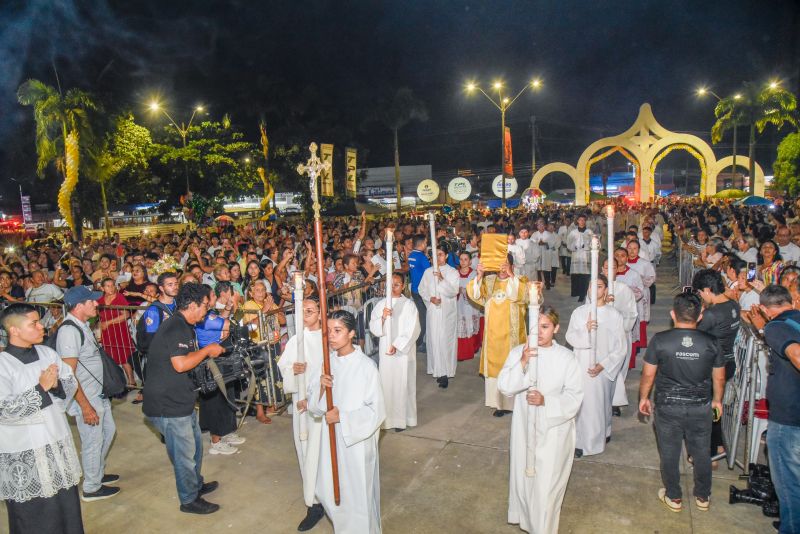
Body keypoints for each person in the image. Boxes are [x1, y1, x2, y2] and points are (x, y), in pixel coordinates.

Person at [497, 306, 583, 534]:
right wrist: (523, 362)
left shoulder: (566, 357)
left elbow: (575, 397)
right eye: (534, 328)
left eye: (545, 327)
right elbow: (505, 387)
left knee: (547, 483)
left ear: (556, 328)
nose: (539, 333)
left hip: (554, 430)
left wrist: (546, 401)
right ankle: (525, 517)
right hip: (525, 426)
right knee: (524, 475)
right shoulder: (519, 352)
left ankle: (543, 528)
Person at [0, 303, 84, 534]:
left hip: (55, 444)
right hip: (26, 454)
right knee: (35, 519)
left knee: (66, 512)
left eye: (40, 321)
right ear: (14, 330)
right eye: (34, 323)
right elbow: (3, 410)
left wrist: (56, 386)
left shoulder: (47, 353)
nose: (41, 327)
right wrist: (40, 388)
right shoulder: (3, 365)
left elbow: (69, 382)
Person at [638, 291, 725, 513]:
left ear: (672, 314)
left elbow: (648, 374)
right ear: (700, 316)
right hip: (700, 406)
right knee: (701, 451)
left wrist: (644, 398)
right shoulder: (712, 342)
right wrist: (717, 400)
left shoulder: (660, 340)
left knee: (669, 452)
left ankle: (674, 497)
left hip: (668, 406)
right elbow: (719, 376)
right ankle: (703, 496)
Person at [142, 283, 225, 514]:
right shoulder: (176, 327)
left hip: (181, 399)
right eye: (205, 307)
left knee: (196, 449)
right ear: (192, 305)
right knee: (184, 456)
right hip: (167, 405)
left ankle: (195, 485)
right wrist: (208, 351)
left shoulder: (185, 325)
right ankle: (189, 500)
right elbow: (180, 364)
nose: (207, 312)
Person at [307, 310, 386, 534]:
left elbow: (376, 411)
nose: (331, 336)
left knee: (358, 495)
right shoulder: (326, 363)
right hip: (330, 440)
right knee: (332, 492)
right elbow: (314, 406)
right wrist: (321, 387)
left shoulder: (366, 367)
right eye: (329, 331)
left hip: (356, 444)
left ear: (351, 333)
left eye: (338, 331)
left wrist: (343, 417)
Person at [56, 286, 119, 502]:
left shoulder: (83, 325)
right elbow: (68, 374)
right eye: (91, 301)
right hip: (87, 399)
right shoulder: (69, 331)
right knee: (93, 440)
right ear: (79, 305)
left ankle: (96, 474)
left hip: (97, 394)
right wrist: (85, 406)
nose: (97, 303)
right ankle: (92, 488)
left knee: (108, 432)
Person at [749, 285, 800, 533]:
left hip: (789, 418)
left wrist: (765, 327)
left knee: (789, 484)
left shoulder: (776, 327)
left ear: (765, 309)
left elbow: (796, 355)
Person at [277, 296, 326, 531]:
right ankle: (313, 503)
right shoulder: (297, 339)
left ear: (320, 312)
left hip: (324, 403)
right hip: (302, 403)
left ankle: (330, 496)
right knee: (306, 450)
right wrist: (293, 370)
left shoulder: (329, 337)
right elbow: (283, 367)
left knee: (326, 452)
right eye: (302, 310)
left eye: (310, 309)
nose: (306, 313)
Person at [565, 274, 626, 457]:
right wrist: (586, 330)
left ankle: (601, 436)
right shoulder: (579, 313)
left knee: (601, 404)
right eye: (591, 286)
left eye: (599, 286)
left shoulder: (614, 315)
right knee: (583, 406)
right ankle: (581, 443)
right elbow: (570, 337)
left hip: (603, 368)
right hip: (582, 365)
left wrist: (603, 365)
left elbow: (620, 347)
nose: (595, 290)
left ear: (605, 290)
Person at [468, 255, 528, 416]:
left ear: (512, 266)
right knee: (495, 368)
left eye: (506, 265)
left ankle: (510, 404)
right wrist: (479, 276)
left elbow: (522, 295)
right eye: (499, 265)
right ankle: (497, 402)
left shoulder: (520, 280)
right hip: (493, 334)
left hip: (513, 335)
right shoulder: (489, 281)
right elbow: (475, 295)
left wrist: (511, 275)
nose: (502, 269)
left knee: (512, 367)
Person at [691, 268, 740, 461]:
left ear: (708, 289)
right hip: (729, 361)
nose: (701, 297)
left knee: (707, 409)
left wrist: (699, 316)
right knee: (716, 405)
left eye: (701, 293)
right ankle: (719, 445)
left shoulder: (712, 314)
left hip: (713, 366)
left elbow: (695, 336)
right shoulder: (734, 305)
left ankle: (708, 453)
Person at [195, 281, 245, 456]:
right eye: (213, 296)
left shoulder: (210, 314)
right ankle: (216, 441)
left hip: (222, 360)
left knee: (227, 396)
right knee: (216, 401)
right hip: (212, 364)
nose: (216, 298)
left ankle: (226, 432)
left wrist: (229, 307)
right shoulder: (205, 318)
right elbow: (233, 326)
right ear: (205, 300)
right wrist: (236, 305)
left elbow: (222, 319)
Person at [369, 272, 420, 430]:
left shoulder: (409, 305)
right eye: (390, 285)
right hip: (386, 351)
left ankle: (404, 419)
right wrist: (383, 318)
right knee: (387, 384)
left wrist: (397, 345)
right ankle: (388, 419)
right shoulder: (381, 304)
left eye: (397, 285)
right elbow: (373, 327)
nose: (393, 288)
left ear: (403, 286)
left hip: (402, 353)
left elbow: (413, 329)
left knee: (404, 385)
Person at [418, 246, 459, 388]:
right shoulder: (428, 272)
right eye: (435, 255)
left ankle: (446, 372)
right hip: (434, 311)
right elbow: (421, 289)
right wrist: (430, 299)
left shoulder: (452, 272)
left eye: (441, 254)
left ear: (446, 256)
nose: (438, 258)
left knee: (445, 341)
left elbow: (453, 291)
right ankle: (438, 370)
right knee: (434, 340)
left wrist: (441, 279)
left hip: (447, 312)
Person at [602, 259, 639, 416]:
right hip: (601, 337)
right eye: (606, 267)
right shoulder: (595, 288)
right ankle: (604, 398)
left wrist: (620, 329)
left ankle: (615, 401)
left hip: (620, 335)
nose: (609, 270)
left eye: (613, 267)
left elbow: (632, 313)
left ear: (617, 270)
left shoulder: (624, 289)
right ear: (602, 269)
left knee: (618, 368)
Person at [97, 277, 136, 390]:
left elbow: (126, 315)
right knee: (109, 358)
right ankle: (115, 381)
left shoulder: (119, 297)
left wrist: (108, 323)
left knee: (123, 357)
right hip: (107, 333)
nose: (111, 288)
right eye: (108, 286)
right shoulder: (100, 300)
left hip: (119, 330)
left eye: (112, 285)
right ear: (102, 288)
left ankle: (131, 381)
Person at [456, 251, 481, 361]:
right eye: (461, 259)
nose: (463, 262)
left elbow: (478, 289)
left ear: (470, 261)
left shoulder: (474, 274)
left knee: (470, 325)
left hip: (471, 305)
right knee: (460, 325)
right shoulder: (455, 273)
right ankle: (461, 352)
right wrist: (457, 290)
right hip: (458, 304)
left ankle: (473, 347)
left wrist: (466, 291)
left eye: (466, 259)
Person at [408, 234, 431, 350]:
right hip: (421, 291)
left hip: (414, 289)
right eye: (426, 243)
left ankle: (420, 341)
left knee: (421, 316)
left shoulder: (411, 255)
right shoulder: (422, 257)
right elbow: (430, 271)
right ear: (422, 244)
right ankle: (419, 343)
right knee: (424, 318)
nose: (426, 245)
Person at [566, 215, 593, 302]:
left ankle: (583, 294)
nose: (582, 222)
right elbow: (568, 242)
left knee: (584, 275)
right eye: (580, 220)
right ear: (577, 221)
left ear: (585, 221)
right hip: (576, 255)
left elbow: (594, 243)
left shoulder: (589, 232)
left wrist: (587, 245)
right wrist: (573, 246)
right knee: (576, 274)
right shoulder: (573, 232)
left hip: (585, 255)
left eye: (583, 220)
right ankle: (575, 292)